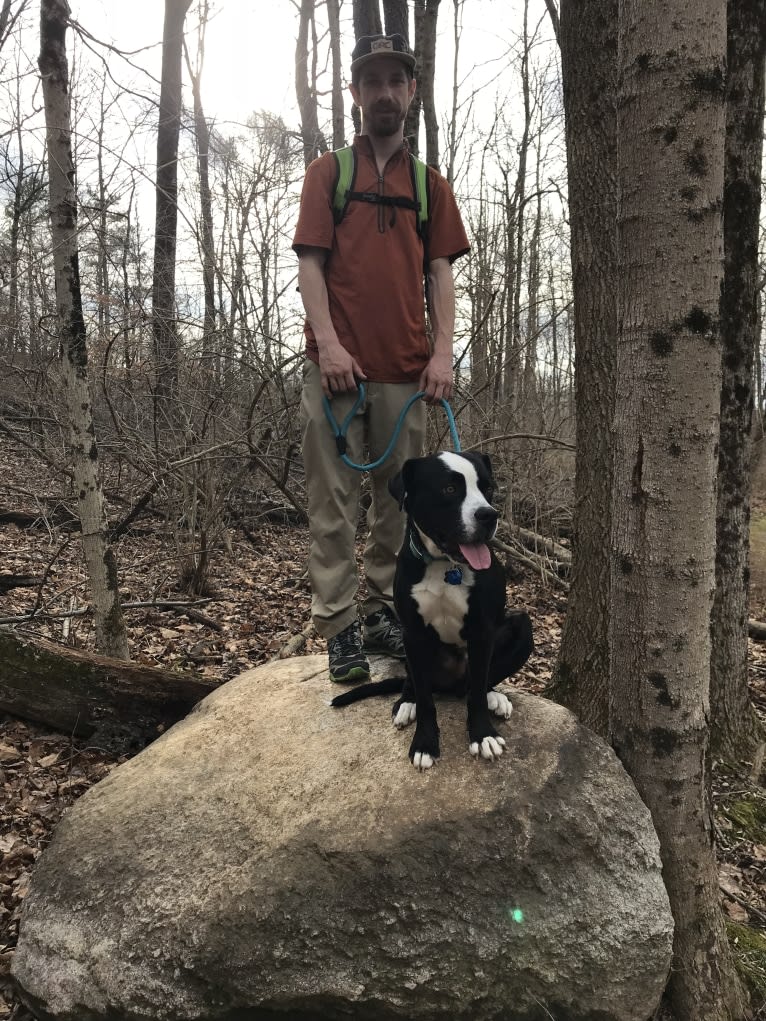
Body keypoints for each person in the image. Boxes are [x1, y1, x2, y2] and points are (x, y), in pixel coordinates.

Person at [293, 32, 470, 683]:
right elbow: (310, 266)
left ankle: (378, 615)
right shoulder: (328, 173)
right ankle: (340, 628)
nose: (385, 93)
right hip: (338, 372)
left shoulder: (429, 187)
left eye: (396, 81)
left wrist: (442, 352)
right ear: (355, 94)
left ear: (412, 91)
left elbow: (441, 274)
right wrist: (330, 345)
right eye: (372, 82)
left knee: (401, 509)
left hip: (408, 374)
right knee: (333, 505)